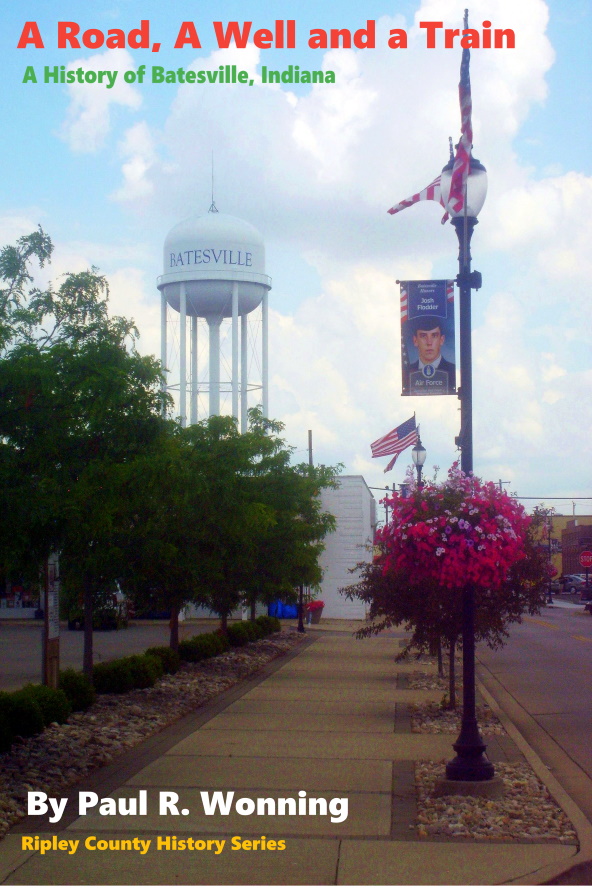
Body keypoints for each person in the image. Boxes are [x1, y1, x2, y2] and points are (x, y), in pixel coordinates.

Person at [403, 318, 456, 394]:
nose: (429, 342)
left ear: (442, 340)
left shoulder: (452, 372)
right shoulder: (407, 374)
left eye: (434, 336)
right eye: (423, 336)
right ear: (415, 341)